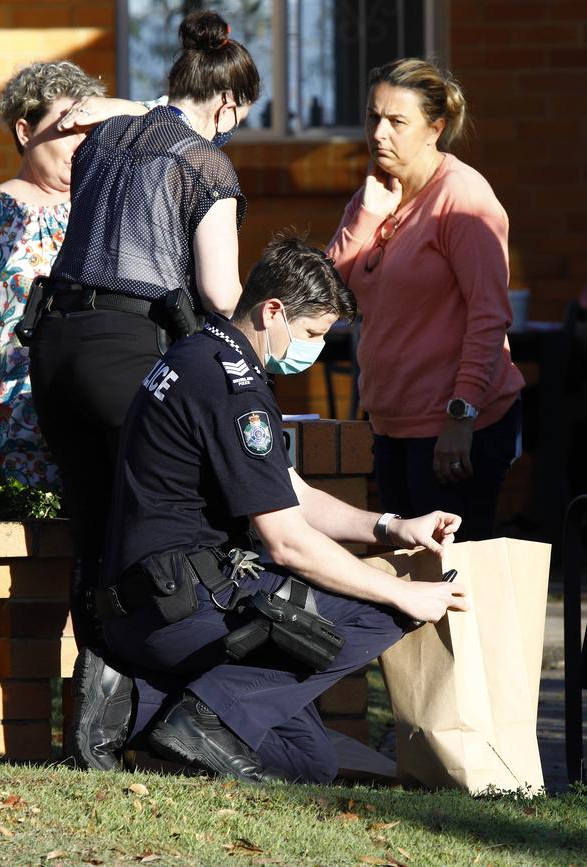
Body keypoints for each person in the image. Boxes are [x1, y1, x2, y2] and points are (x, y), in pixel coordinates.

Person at [77, 234, 468, 783]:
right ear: (273, 310)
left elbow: (293, 495)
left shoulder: (200, 356)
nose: (312, 348)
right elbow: (286, 540)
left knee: (309, 764)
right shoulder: (233, 388)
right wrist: (406, 594)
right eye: (311, 333)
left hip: (152, 604)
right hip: (182, 606)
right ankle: (200, 719)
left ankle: (130, 701)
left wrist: (390, 526)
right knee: (377, 610)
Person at [28, 10, 260, 654]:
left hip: (53, 345)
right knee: (151, 528)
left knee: (92, 523)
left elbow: (85, 116)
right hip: (128, 348)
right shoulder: (205, 163)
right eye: (241, 116)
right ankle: (143, 699)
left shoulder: (107, 138)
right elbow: (219, 292)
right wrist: (262, 342)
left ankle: (91, 719)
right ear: (227, 104)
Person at [327, 59, 525, 542]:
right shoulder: (375, 193)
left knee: (455, 586)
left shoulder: (463, 198)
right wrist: (367, 218)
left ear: (435, 129)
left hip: (455, 428)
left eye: (397, 122)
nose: (379, 133)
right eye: (373, 117)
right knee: (408, 588)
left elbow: (489, 317)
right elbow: (324, 295)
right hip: (390, 423)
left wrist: (461, 417)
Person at [0, 61, 106, 486]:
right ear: (25, 132)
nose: (79, 144)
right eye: (66, 130)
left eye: (86, 132)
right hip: (8, 439)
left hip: (93, 433)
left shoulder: (100, 213)